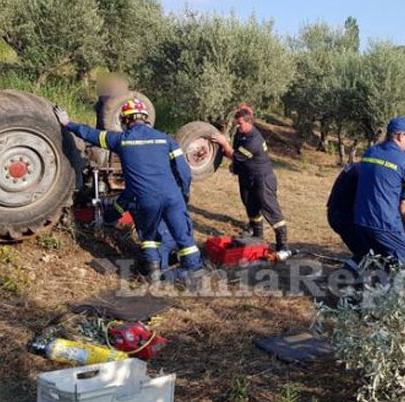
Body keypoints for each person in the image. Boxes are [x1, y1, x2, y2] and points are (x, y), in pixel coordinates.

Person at [54, 99, 203, 282]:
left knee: (149, 237)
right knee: (184, 237)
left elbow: (91, 135)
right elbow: (184, 171)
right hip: (172, 196)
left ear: (125, 121)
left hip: (144, 199)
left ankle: (154, 272)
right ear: (146, 119)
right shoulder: (166, 139)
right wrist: (184, 194)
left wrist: (68, 123)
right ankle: (193, 272)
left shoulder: (121, 140)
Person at [209, 105, 289, 253]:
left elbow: (233, 154)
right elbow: (237, 156)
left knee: (270, 209)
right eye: (236, 123)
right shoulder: (240, 135)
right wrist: (235, 165)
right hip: (247, 177)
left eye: (240, 123)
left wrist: (224, 143)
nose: (237, 126)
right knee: (251, 206)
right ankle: (257, 235)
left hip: (262, 179)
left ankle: (282, 245)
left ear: (249, 122)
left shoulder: (254, 139)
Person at [353, 117, 405, 262]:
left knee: (374, 257)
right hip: (384, 223)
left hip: (360, 220)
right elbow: (404, 203)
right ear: (400, 135)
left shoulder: (370, 152)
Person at [326, 162, 367, 261]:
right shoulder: (364, 173)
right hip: (345, 218)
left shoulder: (356, 167)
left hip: (335, 212)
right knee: (366, 253)